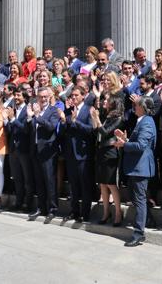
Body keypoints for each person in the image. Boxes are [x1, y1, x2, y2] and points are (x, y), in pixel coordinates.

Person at [114, 96, 157, 247]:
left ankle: (139, 233)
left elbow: (140, 146)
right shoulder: (142, 121)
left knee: (139, 200)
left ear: (143, 108)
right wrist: (125, 139)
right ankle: (148, 220)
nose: (134, 107)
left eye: (137, 105)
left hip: (140, 167)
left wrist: (123, 144)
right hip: (136, 167)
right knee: (137, 198)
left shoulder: (147, 122)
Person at [59, 86, 95, 222]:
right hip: (70, 154)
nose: (73, 98)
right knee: (73, 186)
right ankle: (74, 211)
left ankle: (85, 214)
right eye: (71, 96)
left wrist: (75, 122)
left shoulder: (88, 110)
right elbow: (62, 132)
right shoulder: (67, 111)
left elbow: (90, 130)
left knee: (85, 186)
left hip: (83, 154)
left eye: (76, 95)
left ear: (83, 96)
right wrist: (63, 122)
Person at [27, 87, 61, 222]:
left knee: (49, 180)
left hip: (48, 150)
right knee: (39, 181)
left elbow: (51, 127)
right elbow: (32, 129)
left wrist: (37, 116)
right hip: (35, 149)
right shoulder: (35, 109)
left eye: (45, 96)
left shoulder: (53, 110)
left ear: (49, 97)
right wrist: (30, 118)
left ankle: (53, 209)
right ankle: (41, 207)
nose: (43, 99)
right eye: (40, 96)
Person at [90, 95, 125, 227]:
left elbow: (105, 132)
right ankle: (106, 212)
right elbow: (96, 132)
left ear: (114, 103)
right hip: (100, 151)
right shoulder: (106, 116)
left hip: (111, 152)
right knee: (102, 184)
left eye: (107, 100)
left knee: (111, 184)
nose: (104, 101)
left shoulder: (118, 118)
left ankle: (118, 212)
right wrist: (95, 119)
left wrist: (97, 119)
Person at [5, 87, 33, 212]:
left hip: (24, 148)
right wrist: (7, 122)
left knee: (27, 178)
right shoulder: (13, 110)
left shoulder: (28, 110)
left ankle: (28, 203)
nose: (16, 97)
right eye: (15, 95)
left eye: (19, 95)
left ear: (25, 97)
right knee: (17, 178)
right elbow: (11, 131)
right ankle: (19, 202)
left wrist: (12, 119)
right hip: (13, 149)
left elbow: (26, 130)